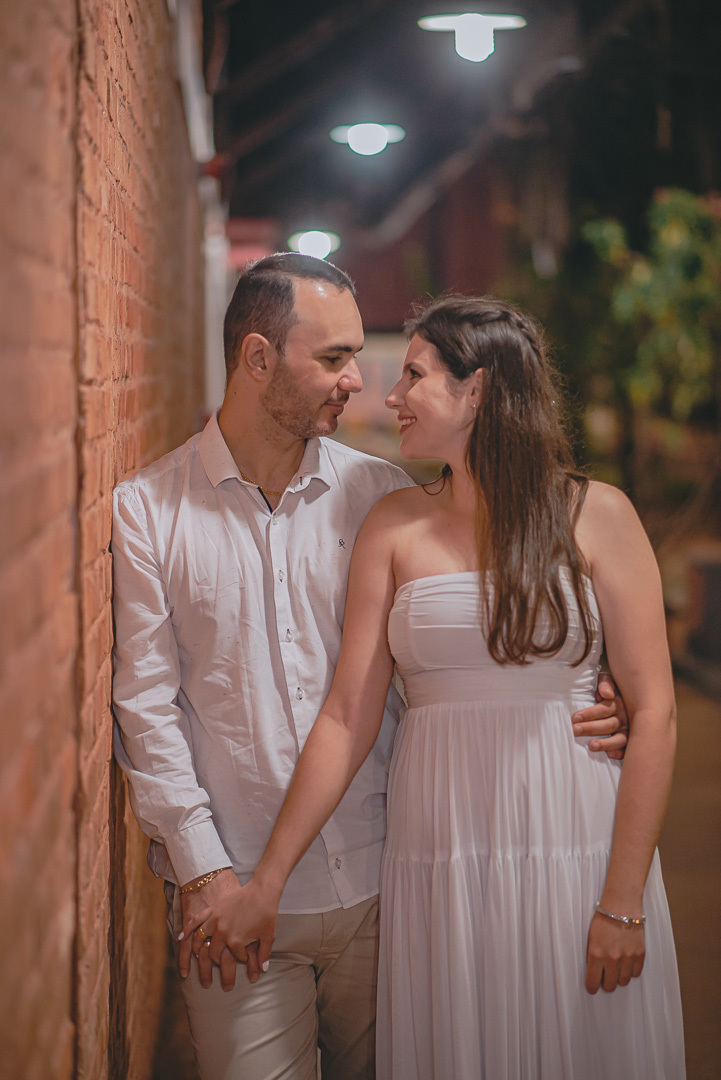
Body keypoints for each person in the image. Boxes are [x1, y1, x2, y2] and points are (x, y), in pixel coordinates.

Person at [112, 260, 627, 1080]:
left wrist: (605, 690)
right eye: (333, 358)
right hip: (242, 895)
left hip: (395, 885)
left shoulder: (384, 496)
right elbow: (145, 707)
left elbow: (489, 631)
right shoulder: (148, 508)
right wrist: (204, 872)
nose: (359, 381)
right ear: (257, 359)